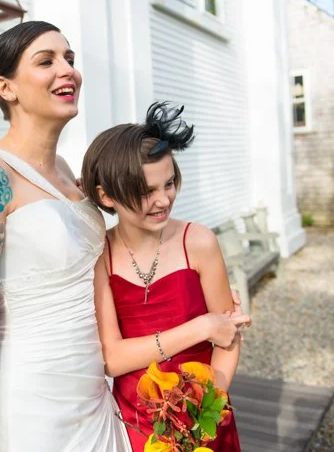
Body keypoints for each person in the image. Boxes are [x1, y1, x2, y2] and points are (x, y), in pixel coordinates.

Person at [0, 21, 132, 451]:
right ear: (6, 87)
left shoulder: (66, 171)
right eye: (46, 61)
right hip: (33, 400)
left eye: (69, 59)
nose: (67, 70)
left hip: (92, 389)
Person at [81, 102, 248, 451]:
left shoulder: (198, 242)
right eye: (146, 191)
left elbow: (228, 337)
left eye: (169, 183)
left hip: (204, 416)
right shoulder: (100, 256)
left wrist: (202, 411)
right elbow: (112, 358)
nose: (163, 200)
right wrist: (200, 327)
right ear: (106, 196)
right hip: (138, 423)